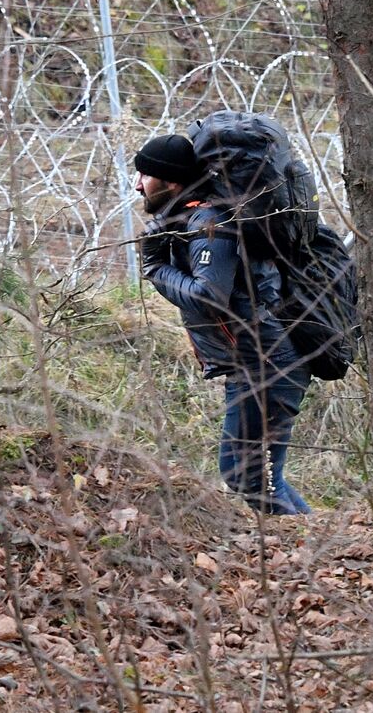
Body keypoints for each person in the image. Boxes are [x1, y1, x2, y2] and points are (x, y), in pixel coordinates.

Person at [133, 134, 312, 515]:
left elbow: (207, 297)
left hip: (266, 364)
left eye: (145, 176)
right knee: (258, 477)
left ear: (173, 182)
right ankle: (311, 546)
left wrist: (155, 268)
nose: (137, 184)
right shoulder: (188, 218)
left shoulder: (210, 224)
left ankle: (311, 559)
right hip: (253, 362)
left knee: (247, 476)